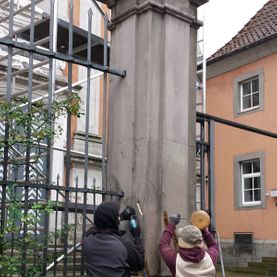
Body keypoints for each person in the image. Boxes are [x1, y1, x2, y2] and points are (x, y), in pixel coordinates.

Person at [83, 201, 144, 277]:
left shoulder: (87, 241)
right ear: (114, 220)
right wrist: (137, 237)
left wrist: (119, 218)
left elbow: (94, 229)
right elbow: (139, 264)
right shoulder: (124, 245)